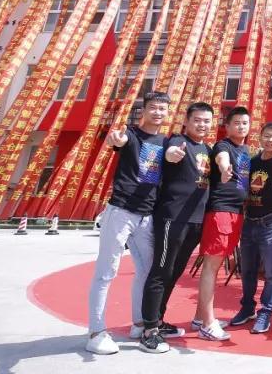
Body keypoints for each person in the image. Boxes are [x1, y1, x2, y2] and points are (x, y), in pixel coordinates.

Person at [85, 90, 168, 355]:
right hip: (121, 211)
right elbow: (117, 140)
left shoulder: (165, 142)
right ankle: (96, 332)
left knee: (146, 271)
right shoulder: (131, 135)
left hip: (147, 215)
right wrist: (116, 139)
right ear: (143, 111)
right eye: (153, 107)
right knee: (106, 271)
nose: (158, 112)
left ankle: (139, 323)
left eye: (162, 108)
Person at [138, 101, 215, 354]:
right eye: (197, 120)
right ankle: (148, 330)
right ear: (186, 121)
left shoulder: (206, 149)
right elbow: (170, 153)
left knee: (174, 272)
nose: (202, 125)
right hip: (173, 218)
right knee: (161, 271)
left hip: (195, 221)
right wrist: (171, 155)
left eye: (206, 121)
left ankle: (158, 320)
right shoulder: (178, 141)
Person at [194, 105, 252, 341]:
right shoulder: (223, 146)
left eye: (245, 123)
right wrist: (225, 168)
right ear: (227, 126)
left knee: (215, 266)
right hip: (221, 212)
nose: (241, 127)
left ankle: (199, 317)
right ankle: (208, 324)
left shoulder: (245, 150)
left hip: (236, 212)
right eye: (236, 123)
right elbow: (222, 159)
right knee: (212, 266)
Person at [229, 121, 272, 335]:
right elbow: (242, 185)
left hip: (271, 221)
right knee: (247, 269)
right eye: (267, 136)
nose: (270, 140)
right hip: (250, 221)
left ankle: (266, 311)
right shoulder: (253, 161)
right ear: (260, 137)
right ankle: (247, 307)